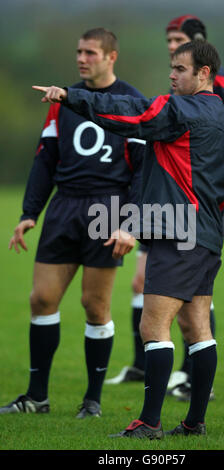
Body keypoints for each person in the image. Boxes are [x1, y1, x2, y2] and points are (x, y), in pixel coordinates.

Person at [32, 39, 224, 438]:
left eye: (179, 69)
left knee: (153, 327)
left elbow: (133, 113)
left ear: (203, 73)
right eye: (171, 68)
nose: (171, 75)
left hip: (177, 231)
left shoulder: (182, 110)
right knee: (197, 327)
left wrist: (71, 98)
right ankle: (194, 424)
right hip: (208, 234)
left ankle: (148, 423)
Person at [105, 14, 224, 399]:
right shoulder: (182, 88)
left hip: (201, 201)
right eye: (167, 40)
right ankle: (147, 367)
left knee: (190, 296)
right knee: (153, 285)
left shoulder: (219, 82)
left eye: (178, 39)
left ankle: (183, 378)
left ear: (201, 61)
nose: (170, 46)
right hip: (172, 200)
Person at [0, 28, 145, 418]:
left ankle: (92, 401)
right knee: (41, 299)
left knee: (94, 305)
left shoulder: (131, 101)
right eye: (79, 52)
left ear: (111, 57)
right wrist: (29, 213)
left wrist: (129, 223)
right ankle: (36, 397)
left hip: (107, 210)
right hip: (64, 206)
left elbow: (142, 172)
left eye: (91, 52)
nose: (82, 58)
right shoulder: (59, 98)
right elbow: (45, 158)